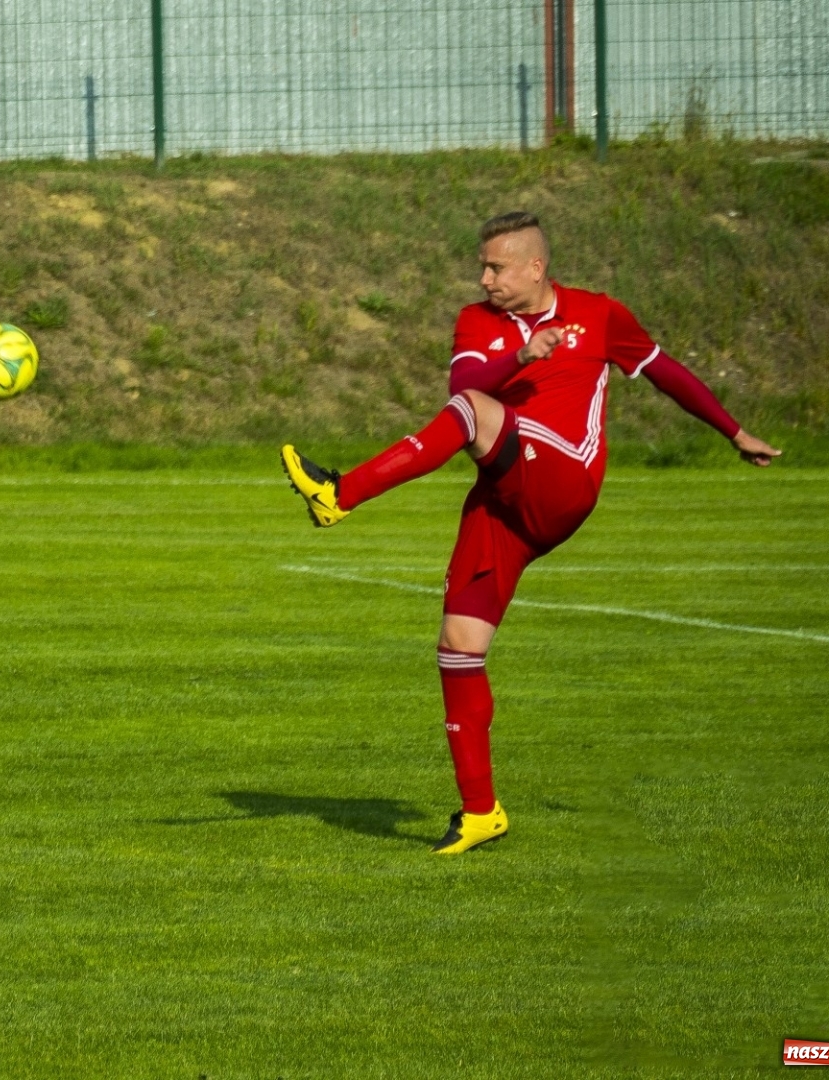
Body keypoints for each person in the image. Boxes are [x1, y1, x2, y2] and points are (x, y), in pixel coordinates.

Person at [281, 211, 781, 854]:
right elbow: (465, 387)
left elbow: (665, 372)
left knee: (471, 417)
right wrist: (520, 355)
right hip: (505, 494)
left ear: (535, 267)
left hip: (564, 478)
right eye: (482, 266)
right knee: (458, 647)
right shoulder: (477, 321)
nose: (484, 277)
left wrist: (734, 431)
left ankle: (340, 493)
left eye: (496, 266)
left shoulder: (599, 315)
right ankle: (480, 811)